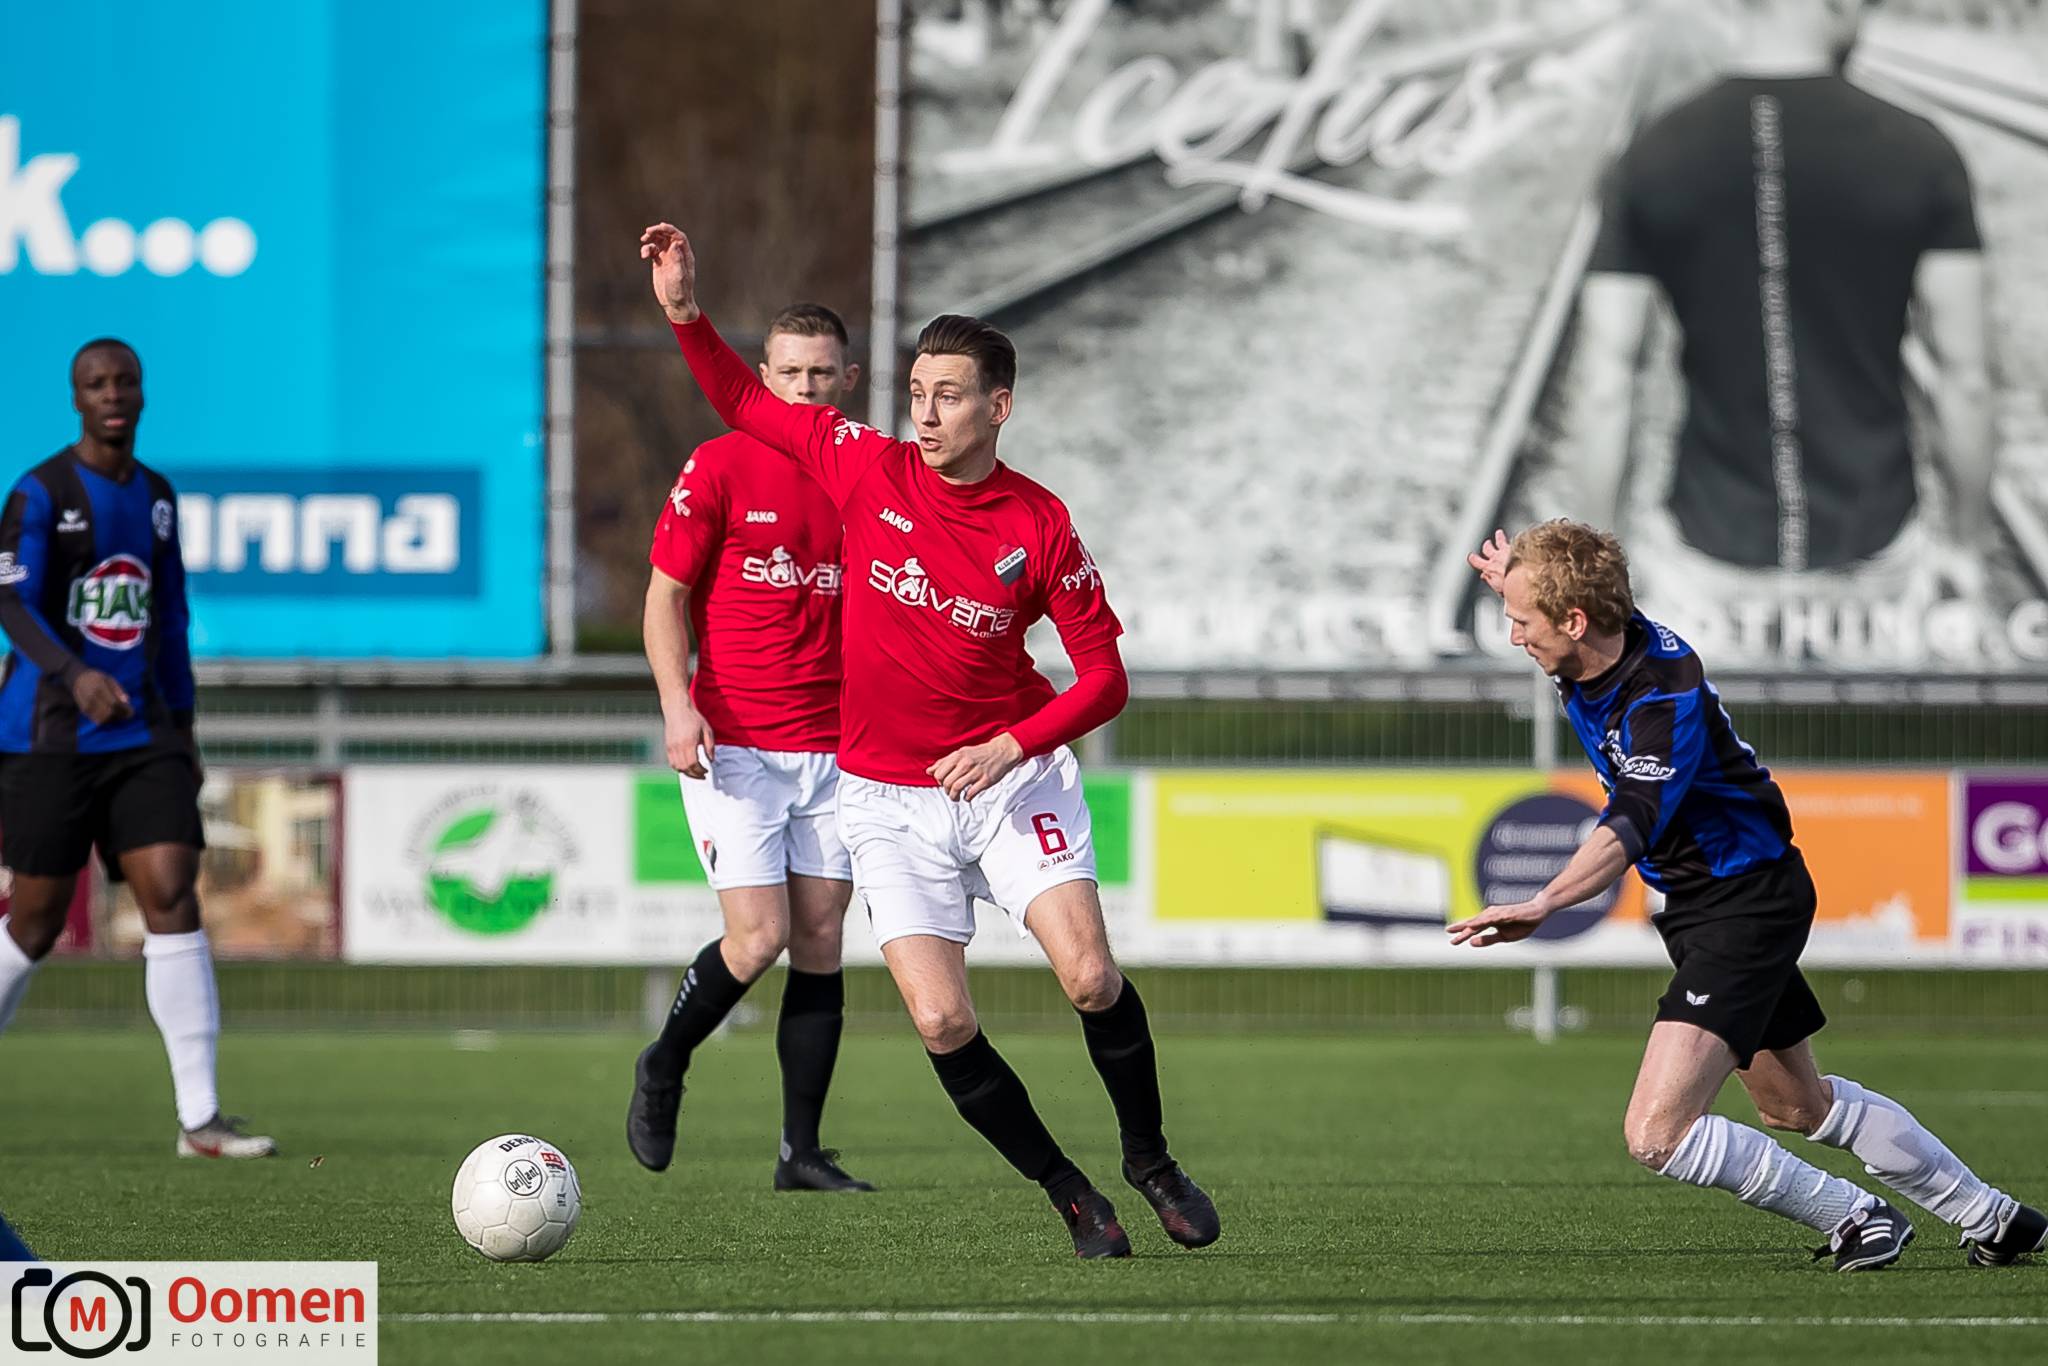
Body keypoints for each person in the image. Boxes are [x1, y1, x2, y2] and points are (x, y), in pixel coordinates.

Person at [638, 220, 1219, 1259]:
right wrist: (685, 311)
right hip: (882, 799)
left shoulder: (1039, 523)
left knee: (1089, 978)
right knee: (942, 1023)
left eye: (948, 394)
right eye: (915, 391)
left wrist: (1010, 745)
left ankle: (1151, 1159)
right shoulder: (866, 468)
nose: (926, 410)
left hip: (1010, 784)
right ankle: (1071, 1195)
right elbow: (742, 400)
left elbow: (1105, 679)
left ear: (999, 406)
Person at [1454, 519, 2044, 1271]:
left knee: (1657, 1133)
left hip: (1745, 904)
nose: (1513, 636)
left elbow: (1629, 825)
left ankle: (1857, 1216)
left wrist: (1545, 902)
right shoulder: (1596, 634)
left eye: (1522, 621)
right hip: (1710, 906)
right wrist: (1519, 578)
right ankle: (1995, 1218)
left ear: (1574, 621)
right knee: (1796, 1106)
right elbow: (1575, 587)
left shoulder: (1658, 698)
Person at [1563, 0, 1992, 664]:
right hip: (1871, 557)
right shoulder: (1923, 152)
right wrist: (1963, 545)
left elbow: (1605, 386)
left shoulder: (1651, 155)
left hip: (1708, 561)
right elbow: (1965, 379)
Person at [0, 338, 273, 1159]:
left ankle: (201, 1119)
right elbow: (10, 603)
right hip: (48, 734)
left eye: (125, 382)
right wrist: (74, 673)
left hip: (142, 735)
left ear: (143, 394)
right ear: (76, 398)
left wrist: (183, 730)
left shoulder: (156, 496)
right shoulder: (42, 491)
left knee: (172, 890)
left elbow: (172, 616)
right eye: (97, 384)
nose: (112, 394)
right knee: (36, 921)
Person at [628, 303, 873, 1193]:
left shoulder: (870, 476)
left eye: (822, 373)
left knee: (821, 936)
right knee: (759, 935)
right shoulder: (721, 465)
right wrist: (677, 705)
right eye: (789, 373)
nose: (805, 388)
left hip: (838, 751)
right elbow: (664, 598)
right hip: (734, 745)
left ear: (848, 381)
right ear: (763, 379)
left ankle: (800, 1152)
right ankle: (665, 1061)